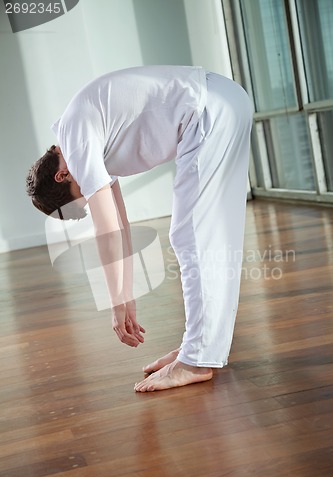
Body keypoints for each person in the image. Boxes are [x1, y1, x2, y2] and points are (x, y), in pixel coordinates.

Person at [26, 65, 253, 392]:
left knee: (190, 236)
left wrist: (116, 308)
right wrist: (125, 296)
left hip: (208, 109)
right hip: (222, 102)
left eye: (82, 200)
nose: (89, 199)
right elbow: (121, 224)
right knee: (207, 237)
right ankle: (199, 348)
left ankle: (197, 358)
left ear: (62, 177)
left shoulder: (75, 141)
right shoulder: (84, 133)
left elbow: (107, 230)